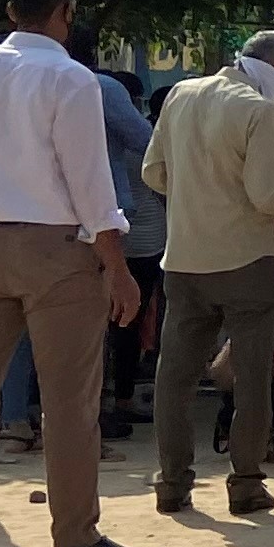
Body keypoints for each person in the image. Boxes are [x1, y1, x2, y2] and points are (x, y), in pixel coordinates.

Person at [0, 0, 152, 547]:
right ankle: (75, 536)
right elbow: (89, 181)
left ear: (9, 11)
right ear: (67, 11)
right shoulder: (71, 78)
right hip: (57, 250)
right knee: (69, 401)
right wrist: (117, 267)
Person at [142, 32, 274, 517]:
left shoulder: (181, 94)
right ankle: (246, 483)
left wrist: (196, 196)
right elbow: (267, 196)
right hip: (247, 260)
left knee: (175, 376)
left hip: (185, 258)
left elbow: (154, 171)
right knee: (252, 378)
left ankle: (172, 483)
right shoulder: (257, 110)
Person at [83, 40, 161, 440]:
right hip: (102, 217)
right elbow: (145, 139)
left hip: (17, 220)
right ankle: (93, 415)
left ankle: (14, 417)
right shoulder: (100, 88)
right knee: (104, 319)